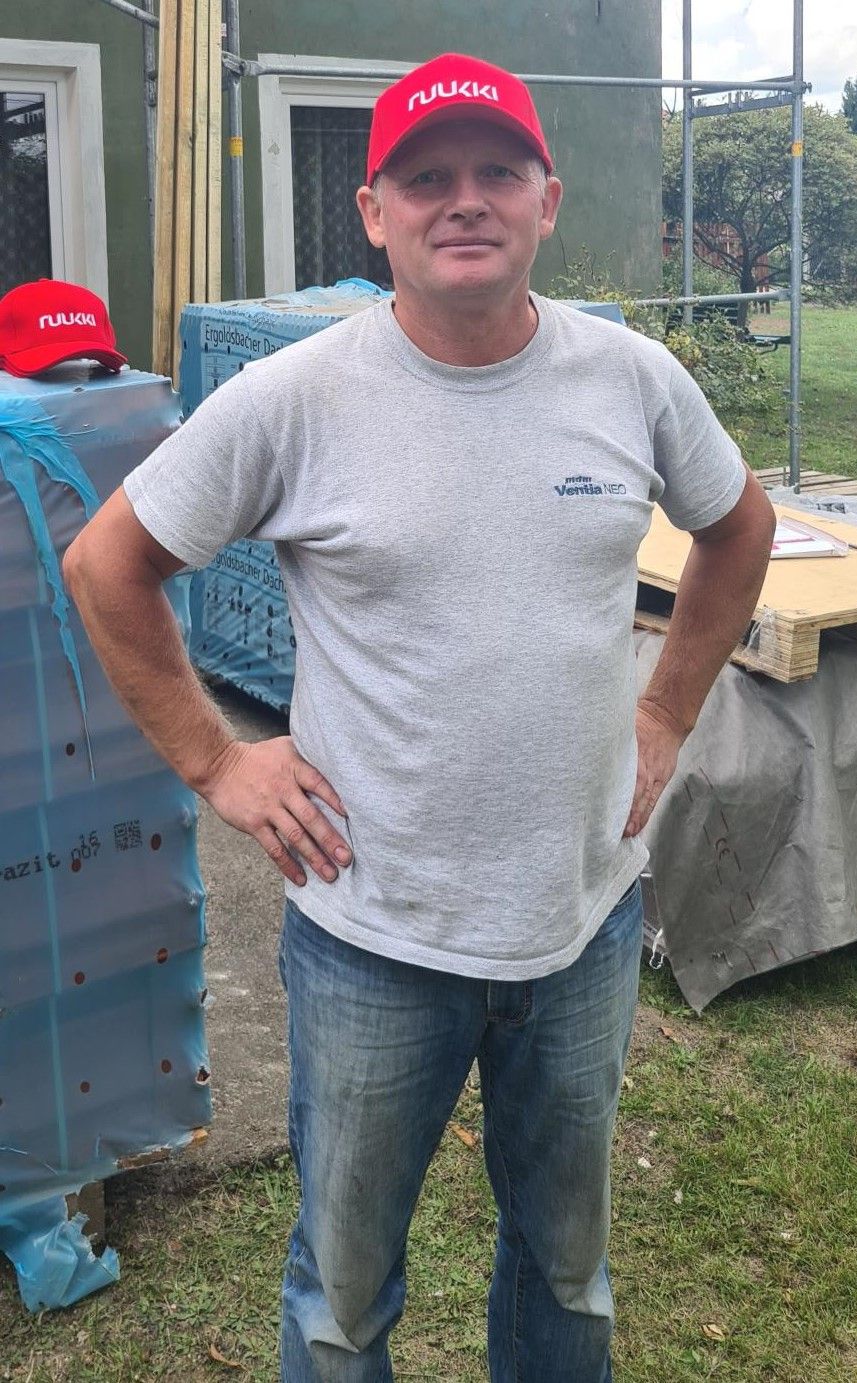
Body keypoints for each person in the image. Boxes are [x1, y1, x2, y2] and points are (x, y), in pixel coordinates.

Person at [64, 51, 775, 1383]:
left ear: (545, 200)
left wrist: (669, 709)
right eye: (426, 177)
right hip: (372, 936)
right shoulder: (295, 398)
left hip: (579, 921)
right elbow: (109, 566)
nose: (465, 200)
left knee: (566, 1275)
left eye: (497, 171)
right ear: (374, 213)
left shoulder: (631, 381)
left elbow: (738, 527)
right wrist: (216, 762)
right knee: (343, 1297)